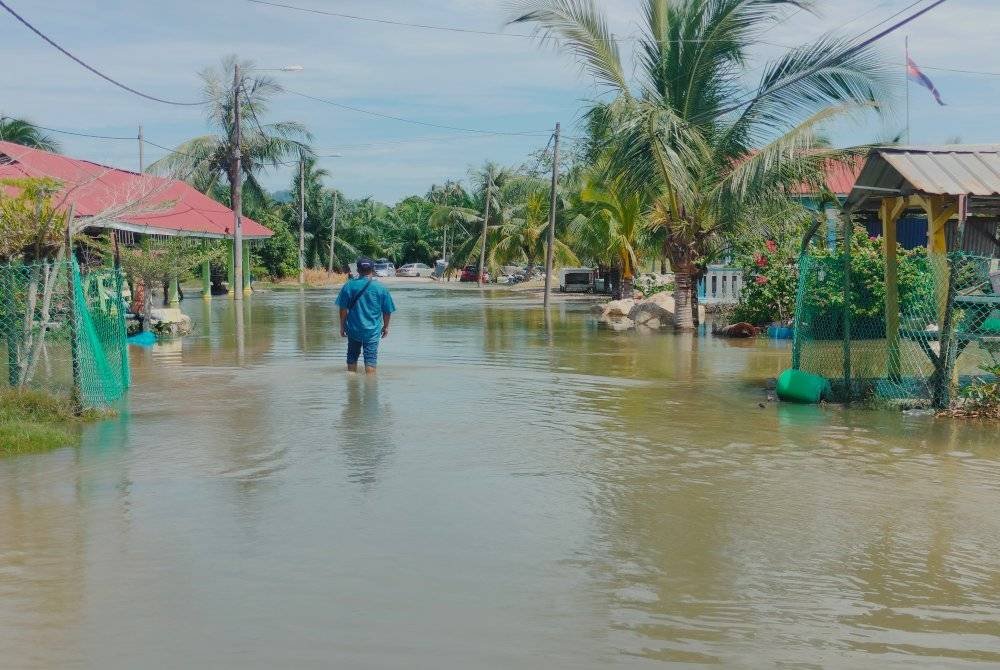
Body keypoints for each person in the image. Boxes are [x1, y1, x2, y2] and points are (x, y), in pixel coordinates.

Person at [336, 257, 396, 374]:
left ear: (357, 270)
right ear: (373, 270)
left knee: (352, 357)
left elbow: (343, 309)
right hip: (372, 331)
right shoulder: (381, 288)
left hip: (353, 329)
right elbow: (387, 311)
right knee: (370, 359)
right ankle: (370, 386)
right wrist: (386, 327)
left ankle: (352, 386)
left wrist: (342, 327)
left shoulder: (349, 286)